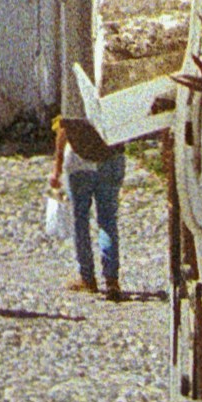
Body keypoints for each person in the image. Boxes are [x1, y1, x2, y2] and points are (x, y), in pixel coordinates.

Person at [53, 95, 126, 298]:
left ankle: (87, 278)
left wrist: (56, 169)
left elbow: (63, 128)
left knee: (81, 221)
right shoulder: (112, 90)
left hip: (79, 162)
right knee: (108, 220)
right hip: (111, 158)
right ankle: (111, 280)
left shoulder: (73, 94)